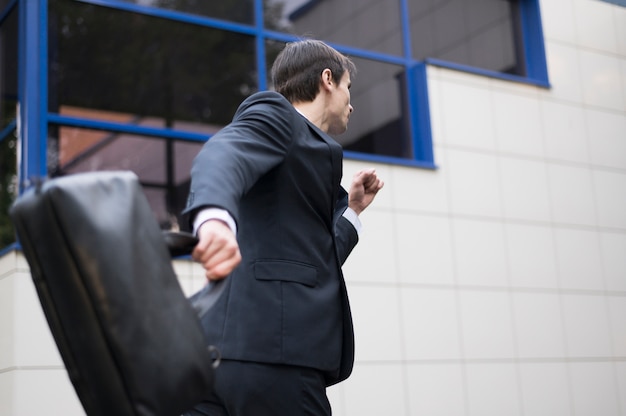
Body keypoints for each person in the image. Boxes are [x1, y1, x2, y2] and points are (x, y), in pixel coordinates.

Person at [182, 39, 384, 416]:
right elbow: (223, 153)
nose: (351, 103)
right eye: (348, 88)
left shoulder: (306, 151)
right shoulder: (275, 115)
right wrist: (213, 219)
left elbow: (307, 263)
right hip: (276, 360)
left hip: (221, 363)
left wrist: (353, 210)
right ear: (328, 79)